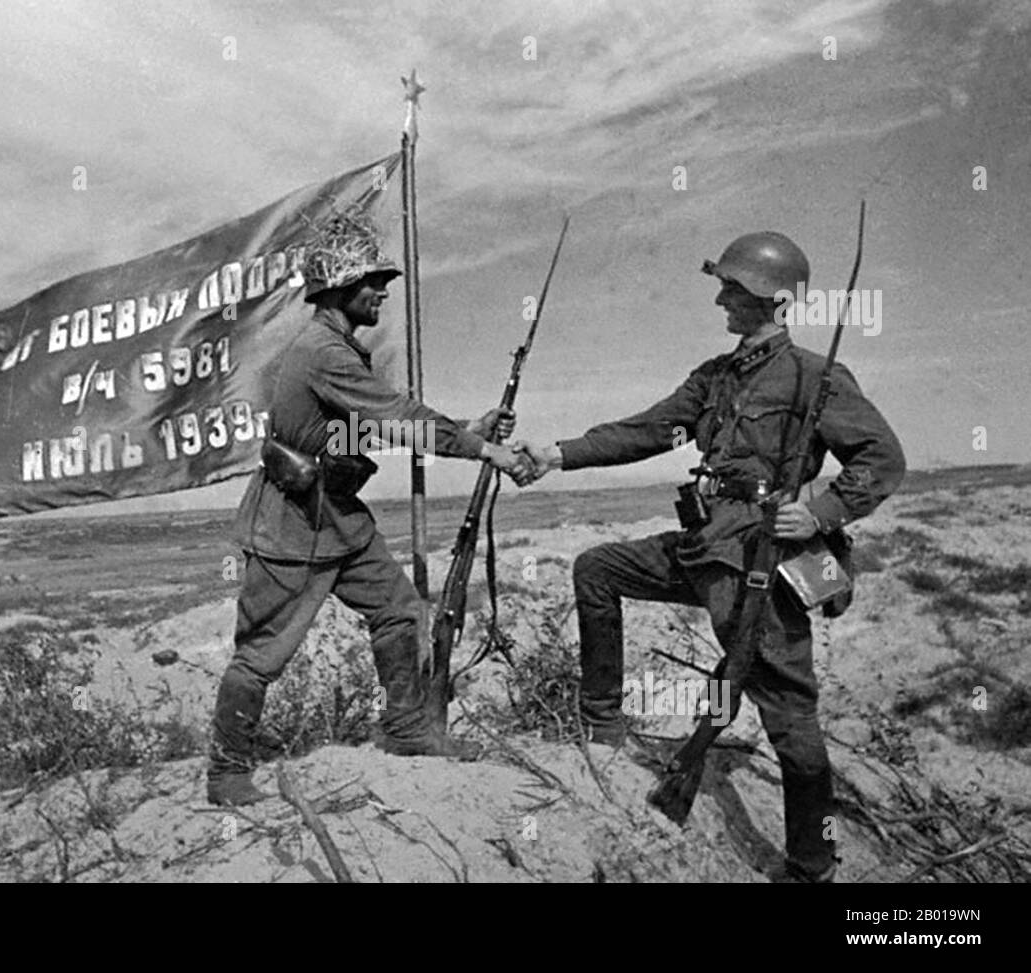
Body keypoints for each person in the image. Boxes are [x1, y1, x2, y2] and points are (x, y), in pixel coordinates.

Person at [517, 230, 906, 882]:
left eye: (736, 287)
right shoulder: (716, 377)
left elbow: (882, 458)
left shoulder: (817, 377)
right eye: (724, 284)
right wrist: (558, 453)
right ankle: (603, 726)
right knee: (597, 567)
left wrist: (819, 513)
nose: (722, 296)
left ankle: (812, 862)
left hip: (759, 556)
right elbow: (649, 430)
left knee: (787, 708)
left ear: (778, 302)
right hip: (705, 545)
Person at [207, 213, 531, 806]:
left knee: (400, 610)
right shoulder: (323, 352)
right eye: (371, 281)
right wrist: (490, 450)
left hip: (338, 517)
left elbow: (367, 430)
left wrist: (465, 428)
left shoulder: (339, 352)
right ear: (336, 287)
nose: (383, 291)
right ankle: (226, 773)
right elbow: (399, 419)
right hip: (290, 525)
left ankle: (407, 728)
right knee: (263, 653)